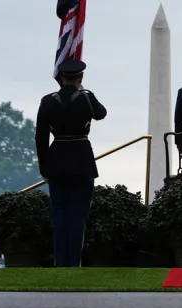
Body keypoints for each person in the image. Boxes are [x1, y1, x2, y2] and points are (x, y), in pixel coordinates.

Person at [35, 59, 107, 267]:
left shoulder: (47, 101)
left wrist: (44, 166)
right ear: (80, 78)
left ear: (61, 78)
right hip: (82, 160)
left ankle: (60, 261)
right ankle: (74, 262)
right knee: (78, 215)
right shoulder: (86, 99)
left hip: (56, 160)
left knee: (59, 214)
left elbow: (40, 137)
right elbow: (101, 114)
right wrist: (87, 93)